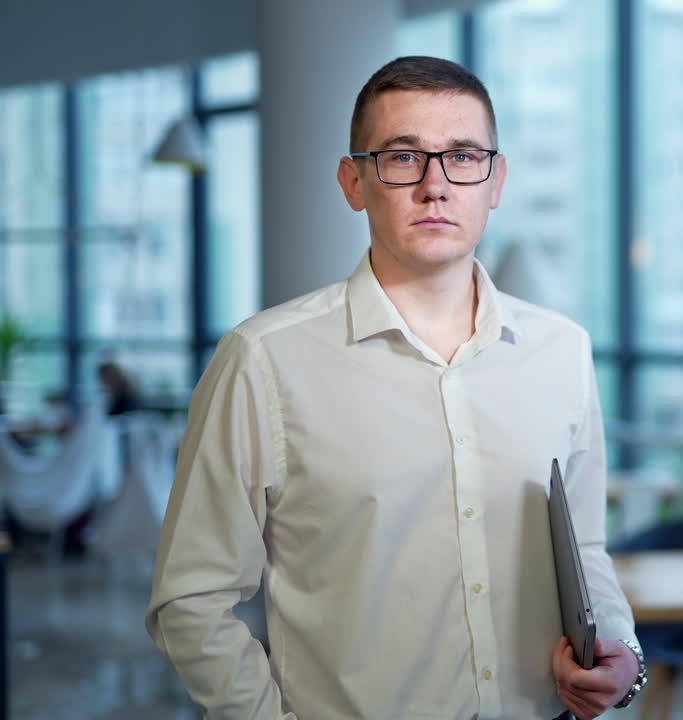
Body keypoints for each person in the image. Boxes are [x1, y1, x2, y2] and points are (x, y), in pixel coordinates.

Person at [146, 56, 644, 720]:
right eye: (403, 157)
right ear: (354, 181)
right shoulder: (262, 361)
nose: (435, 186)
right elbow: (192, 596)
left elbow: (583, 551)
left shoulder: (563, 351)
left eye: (463, 157)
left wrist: (622, 653)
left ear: (496, 181)